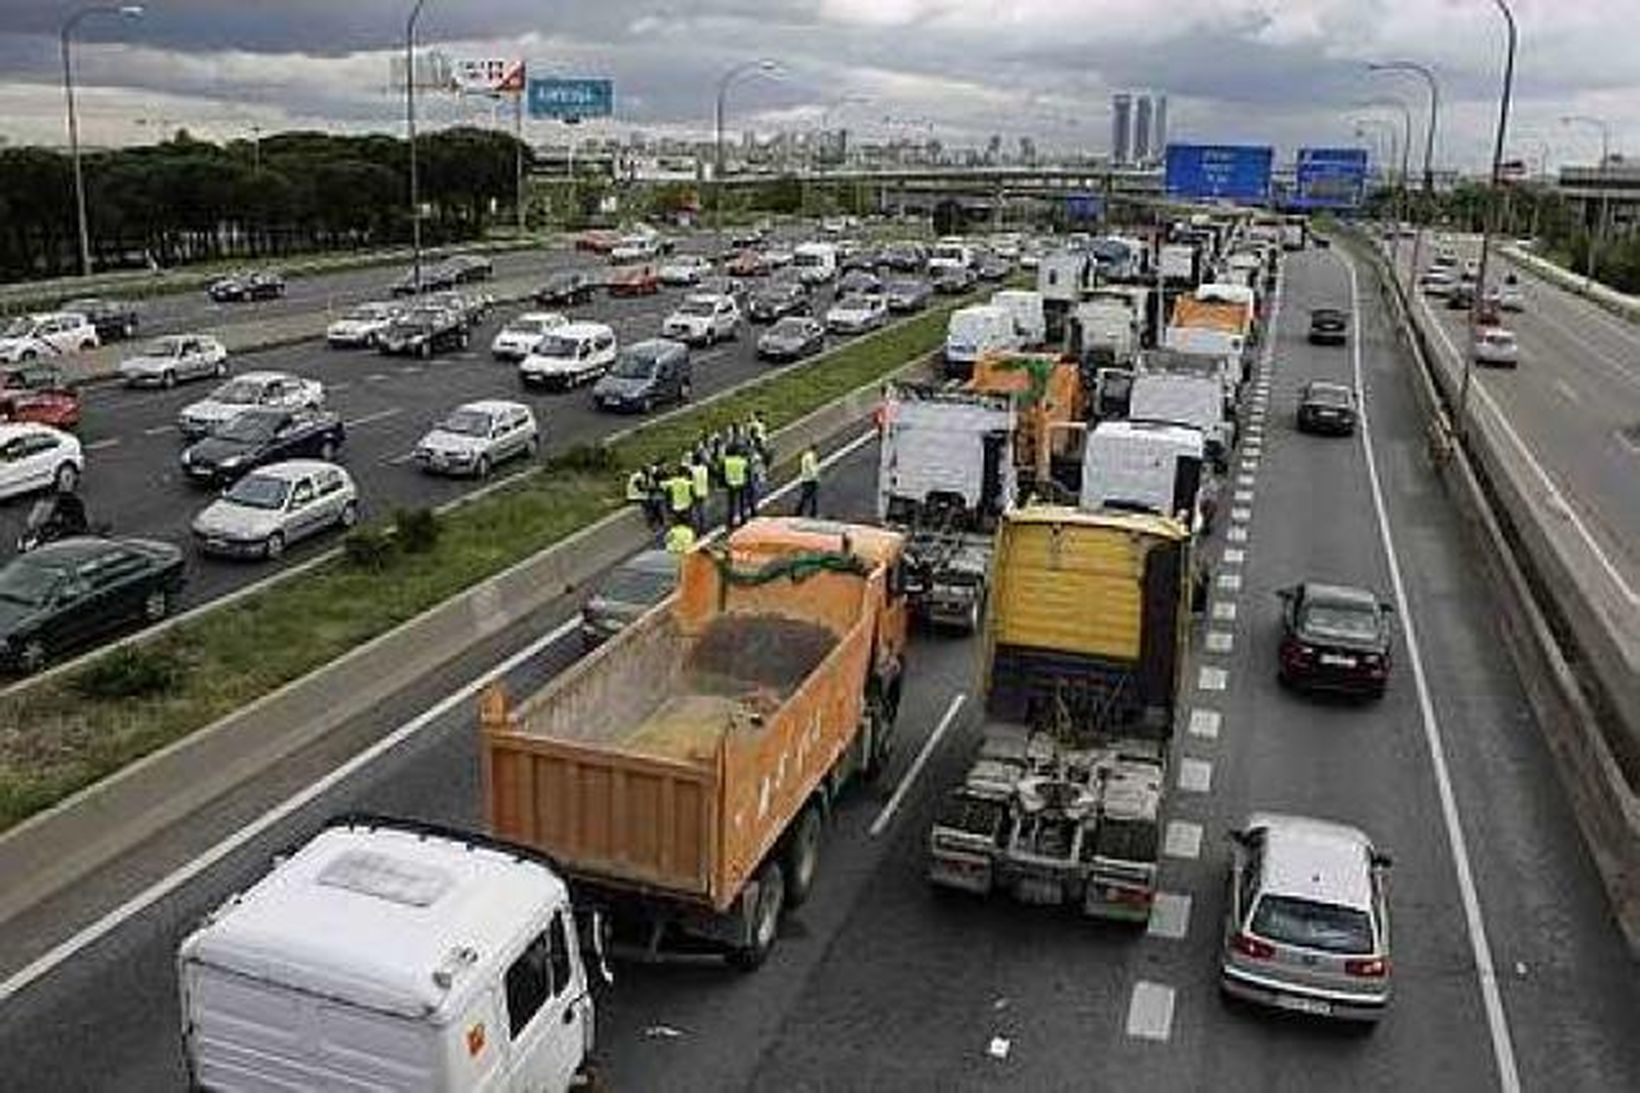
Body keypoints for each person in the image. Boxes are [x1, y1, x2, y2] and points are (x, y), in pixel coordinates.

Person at [722, 444, 750, 528]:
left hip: (730, 483)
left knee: (731, 504)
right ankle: (743, 518)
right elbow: (747, 469)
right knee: (742, 502)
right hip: (740, 482)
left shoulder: (726, 461)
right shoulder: (741, 460)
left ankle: (730, 521)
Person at [665, 463, 695, 529]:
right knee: (687, 524)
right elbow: (692, 494)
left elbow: (667, 493)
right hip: (686, 506)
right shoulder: (688, 483)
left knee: (677, 525)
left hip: (675, 507)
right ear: (685, 473)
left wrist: (669, 505)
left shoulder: (672, 482)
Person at [626, 466, 656, 530]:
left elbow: (650, 484)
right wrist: (651, 488)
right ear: (644, 470)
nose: (650, 471)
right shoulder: (638, 476)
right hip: (636, 494)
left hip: (640, 494)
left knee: (649, 504)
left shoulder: (646, 475)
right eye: (648, 470)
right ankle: (650, 522)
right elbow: (641, 488)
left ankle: (649, 519)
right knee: (649, 506)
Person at [797, 444, 819, 517]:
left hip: (805, 478)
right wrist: (816, 477)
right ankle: (809, 511)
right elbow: (812, 467)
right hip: (810, 479)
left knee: (810, 496)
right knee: (811, 496)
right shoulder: (811, 457)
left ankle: (812, 511)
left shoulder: (805, 456)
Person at [689, 455, 710, 533]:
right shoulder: (704, 468)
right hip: (703, 490)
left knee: (696, 511)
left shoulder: (692, 470)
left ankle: (697, 528)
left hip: (695, 491)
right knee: (703, 510)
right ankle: (704, 527)